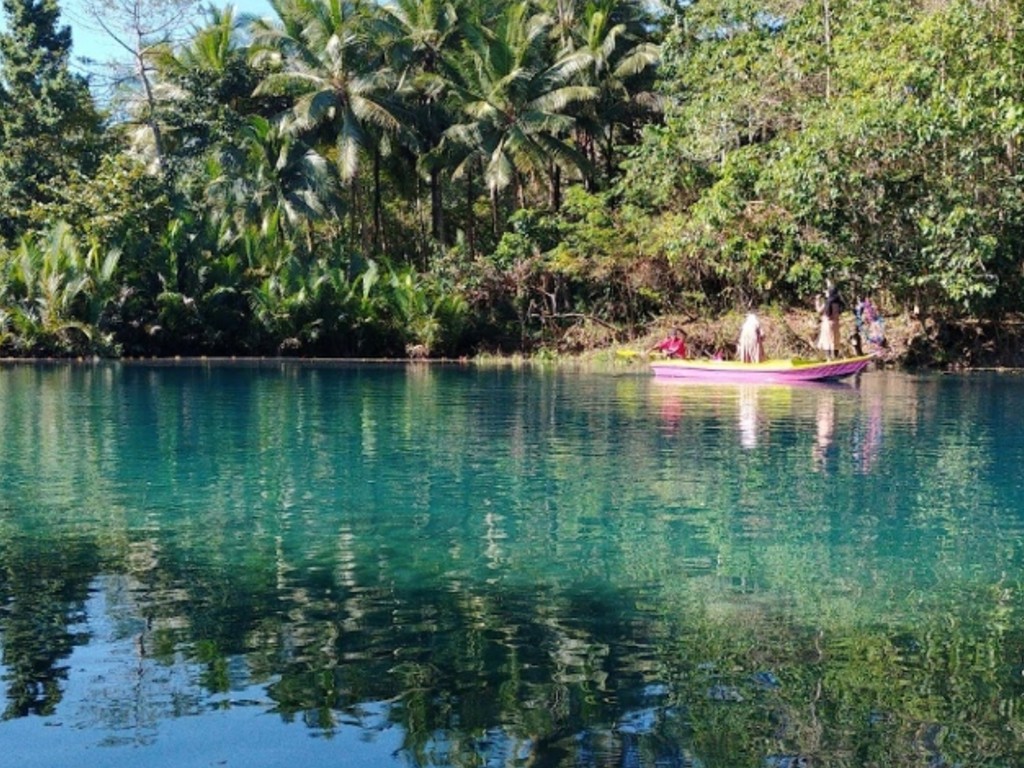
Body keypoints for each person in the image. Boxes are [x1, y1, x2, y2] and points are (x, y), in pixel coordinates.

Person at [815, 280, 845, 360]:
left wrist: (817, 300)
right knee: (835, 340)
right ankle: (835, 357)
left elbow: (819, 311)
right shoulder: (838, 303)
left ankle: (828, 358)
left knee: (826, 340)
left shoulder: (827, 303)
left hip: (827, 324)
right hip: (836, 324)